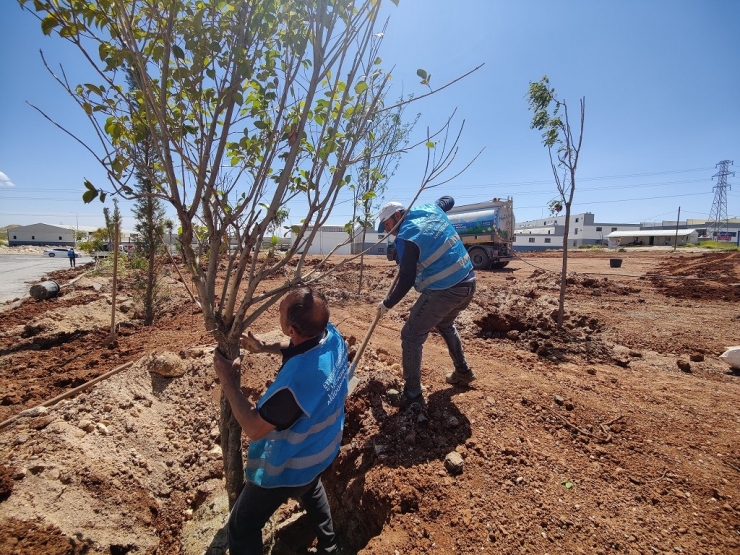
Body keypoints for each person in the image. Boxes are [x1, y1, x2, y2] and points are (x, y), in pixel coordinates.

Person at [213, 286, 348, 555]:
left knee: (242, 526)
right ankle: (329, 547)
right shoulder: (331, 335)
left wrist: (227, 380)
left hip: (287, 466)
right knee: (311, 485)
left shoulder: (294, 386)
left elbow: (253, 427)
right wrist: (265, 347)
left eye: (281, 312)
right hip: (321, 448)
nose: (278, 311)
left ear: (291, 330)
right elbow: (301, 346)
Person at [377, 196, 476, 408]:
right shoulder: (431, 209)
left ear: (397, 215)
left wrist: (387, 303)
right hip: (468, 283)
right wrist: (437, 204)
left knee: (411, 335)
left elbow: (406, 281)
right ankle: (463, 372)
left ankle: (412, 395)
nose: (388, 231)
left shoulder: (405, 238)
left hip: (447, 290)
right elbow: (448, 200)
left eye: (387, 225)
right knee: (445, 324)